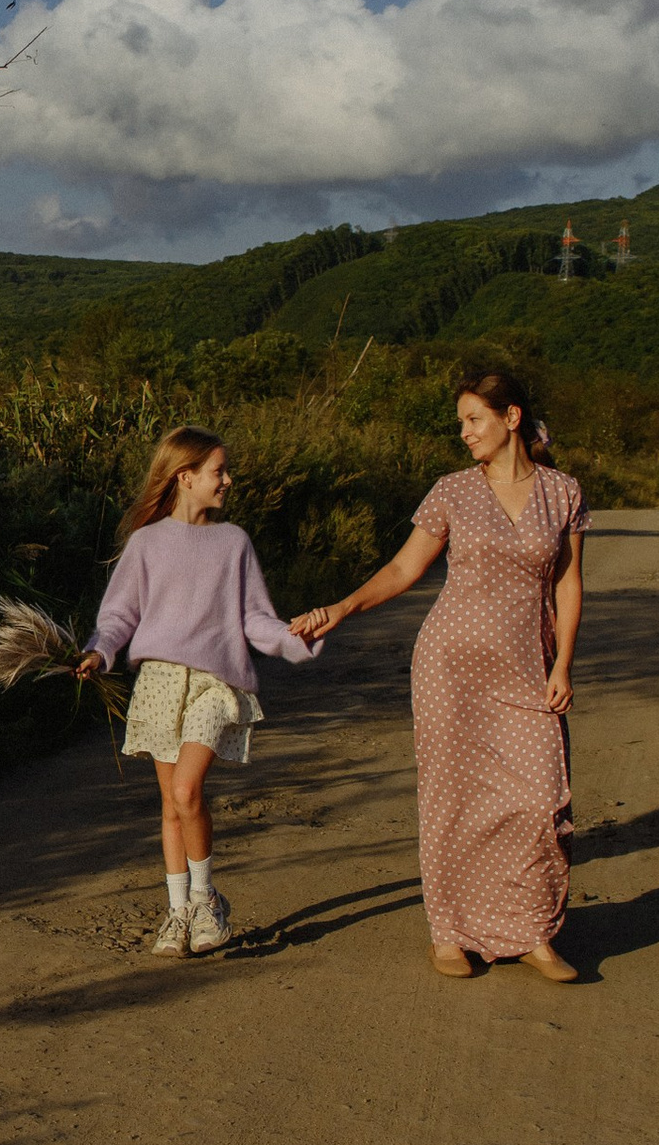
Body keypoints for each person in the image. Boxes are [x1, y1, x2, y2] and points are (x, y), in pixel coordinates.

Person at [295, 365, 585, 982]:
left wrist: (562, 662)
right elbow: (403, 571)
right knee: (453, 799)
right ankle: (450, 932)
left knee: (538, 800)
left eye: (473, 419)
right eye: (460, 423)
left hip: (527, 670)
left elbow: (567, 580)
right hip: (450, 667)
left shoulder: (563, 492)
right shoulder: (451, 491)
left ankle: (531, 930)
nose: (464, 433)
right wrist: (342, 608)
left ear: (511, 419)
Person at [77, 423, 322, 957]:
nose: (228, 480)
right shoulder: (146, 543)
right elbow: (120, 614)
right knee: (170, 805)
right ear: (185, 477)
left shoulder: (233, 543)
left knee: (187, 792)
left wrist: (292, 639)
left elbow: (255, 618)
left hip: (215, 683)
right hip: (160, 680)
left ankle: (206, 898)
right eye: (219, 471)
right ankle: (177, 914)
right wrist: (100, 651)